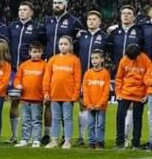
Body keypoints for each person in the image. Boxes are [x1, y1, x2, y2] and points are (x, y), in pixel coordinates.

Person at [43, 35, 81, 149]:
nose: (63, 46)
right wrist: (46, 92)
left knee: (67, 119)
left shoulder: (75, 60)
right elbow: (47, 77)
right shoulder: (53, 59)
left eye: (65, 44)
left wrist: (76, 94)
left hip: (68, 95)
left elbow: (77, 79)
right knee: (55, 118)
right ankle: (54, 140)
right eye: (60, 44)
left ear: (70, 46)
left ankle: (67, 141)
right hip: (54, 94)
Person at [76, 9, 107, 144]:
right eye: (89, 19)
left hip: (98, 77)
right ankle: (82, 137)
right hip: (83, 74)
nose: (91, 22)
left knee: (98, 108)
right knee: (82, 105)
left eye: (94, 19)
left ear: (99, 22)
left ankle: (97, 138)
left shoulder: (105, 37)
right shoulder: (81, 36)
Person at [115, 43, 151, 149]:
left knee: (137, 119)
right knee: (120, 117)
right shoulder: (124, 60)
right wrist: (118, 93)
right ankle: (120, 142)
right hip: (125, 93)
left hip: (140, 94)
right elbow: (119, 78)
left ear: (138, 55)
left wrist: (147, 94)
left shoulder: (146, 61)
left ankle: (136, 143)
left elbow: (148, 78)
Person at [13, 41, 46, 148]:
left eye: (39, 52)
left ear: (42, 52)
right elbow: (17, 78)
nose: (37, 54)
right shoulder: (24, 65)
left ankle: (36, 139)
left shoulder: (45, 65)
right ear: (29, 52)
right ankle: (25, 139)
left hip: (38, 98)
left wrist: (45, 94)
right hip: (25, 98)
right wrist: (17, 85)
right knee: (25, 120)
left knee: (36, 120)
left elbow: (46, 81)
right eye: (34, 52)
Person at [82, 49, 110, 149]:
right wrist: (88, 103)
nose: (94, 60)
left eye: (96, 58)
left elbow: (106, 91)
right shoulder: (88, 73)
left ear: (102, 59)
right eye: (92, 58)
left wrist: (100, 103)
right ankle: (92, 142)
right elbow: (85, 90)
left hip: (101, 106)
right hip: (90, 105)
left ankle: (100, 142)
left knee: (100, 125)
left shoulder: (105, 73)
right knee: (91, 124)